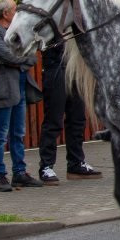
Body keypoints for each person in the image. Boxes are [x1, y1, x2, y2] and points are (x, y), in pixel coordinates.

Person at [0, 0, 42, 192]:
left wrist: (20, 60)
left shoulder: (16, 31)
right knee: (1, 134)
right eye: (15, 9)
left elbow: (31, 55)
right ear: (5, 13)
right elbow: (8, 56)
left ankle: (20, 173)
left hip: (20, 85)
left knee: (18, 133)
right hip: (3, 88)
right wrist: (21, 59)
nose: (17, 13)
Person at [36, 41, 101, 184]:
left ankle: (76, 163)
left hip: (75, 69)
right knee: (53, 120)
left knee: (78, 119)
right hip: (55, 66)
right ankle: (46, 166)